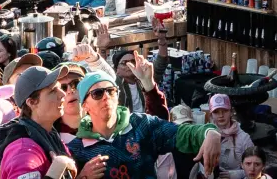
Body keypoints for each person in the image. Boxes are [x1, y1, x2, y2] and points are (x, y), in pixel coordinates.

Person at [69, 70, 222, 179]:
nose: (106, 97)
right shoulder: (76, 149)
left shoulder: (141, 125)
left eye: (111, 91)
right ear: (85, 105)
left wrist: (209, 132)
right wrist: (81, 177)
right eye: (97, 93)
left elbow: (180, 133)